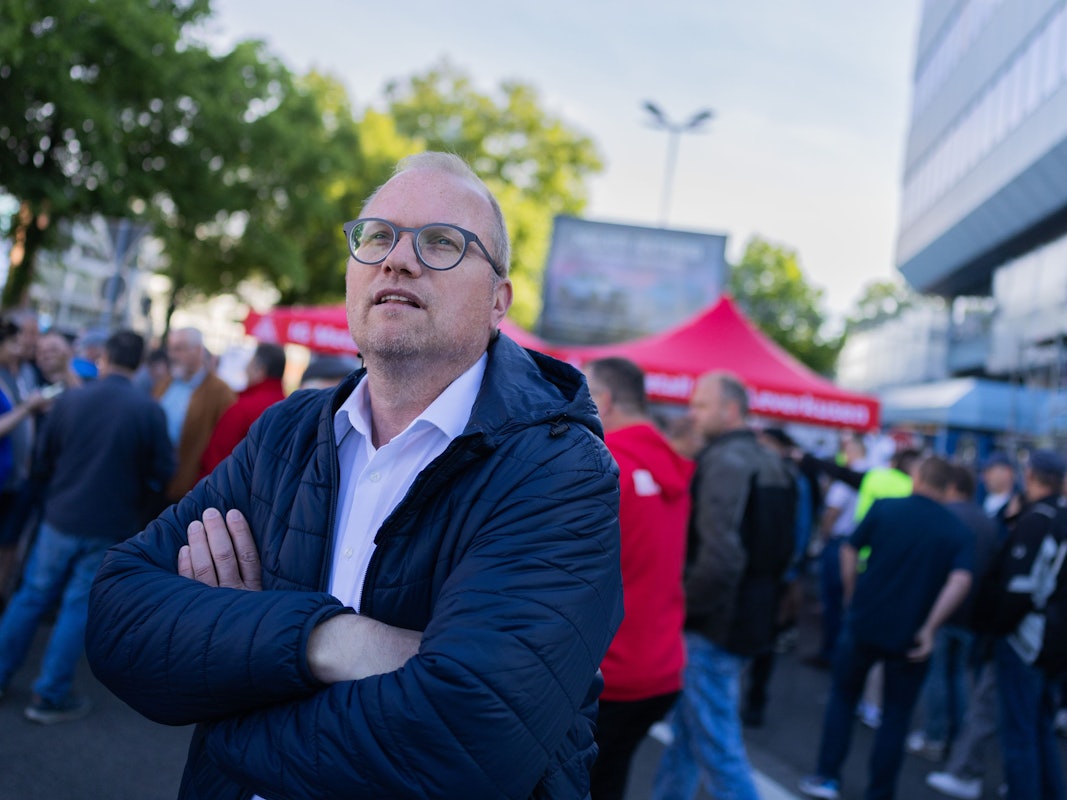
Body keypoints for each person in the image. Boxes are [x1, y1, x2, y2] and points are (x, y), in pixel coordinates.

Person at [86, 152, 623, 799]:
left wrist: (228, 693)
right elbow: (118, 615)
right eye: (375, 236)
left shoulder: (558, 470)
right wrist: (327, 641)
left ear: (498, 302)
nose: (397, 258)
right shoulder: (289, 432)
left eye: (442, 242)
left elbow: (460, 741)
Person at [0, 330, 174, 722]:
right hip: (109, 521)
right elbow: (162, 471)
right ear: (140, 363)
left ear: (105, 358)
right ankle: (50, 694)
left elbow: (43, 460)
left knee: (31, 596)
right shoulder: (149, 410)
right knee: (77, 606)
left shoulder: (73, 399)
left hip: (60, 515)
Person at [651, 371, 797, 800]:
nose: (691, 413)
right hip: (747, 619)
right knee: (688, 737)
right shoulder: (773, 462)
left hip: (717, 624)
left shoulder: (726, 461)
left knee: (717, 749)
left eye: (700, 405)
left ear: (729, 410)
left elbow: (722, 556)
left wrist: (682, 605)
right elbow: (788, 548)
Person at [798, 456, 974, 800]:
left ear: (919, 476)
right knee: (896, 715)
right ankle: (880, 793)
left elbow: (849, 549)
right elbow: (961, 580)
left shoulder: (885, 509)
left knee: (843, 699)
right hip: (910, 635)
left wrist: (851, 593)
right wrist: (930, 627)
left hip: (865, 620)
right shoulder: (956, 529)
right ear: (947, 486)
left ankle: (826, 777)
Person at [584, 357, 692, 800]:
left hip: (610, 672)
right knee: (610, 779)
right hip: (661, 668)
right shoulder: (675, 467)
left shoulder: (605, 464)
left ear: (604, 402)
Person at [979, 449, 1067, 800]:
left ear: (1029, 475)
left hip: (1027, 640)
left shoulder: (1040, 519)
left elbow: (1020, 588)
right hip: (1052, 641)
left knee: (1020, 735)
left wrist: (996, 627)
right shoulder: (1056, 515)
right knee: (1039, 729)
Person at [906, 463, 999, 763]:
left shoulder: (948, 516)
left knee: (935, 674)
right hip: (972, 613)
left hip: (942, 609)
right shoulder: (987, 521)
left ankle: (935, 737)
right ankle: (957, 736)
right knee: (958, 676)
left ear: (952, 487)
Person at [806, 435, 867, 670]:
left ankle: (831, 653)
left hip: (839, 544)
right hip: (858, 545)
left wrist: (823, 536)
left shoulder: (845, 479)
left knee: (833, 602)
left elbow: (832, 512)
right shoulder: (872, 476)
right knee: (846, 602)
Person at [154, 326, 236, 502]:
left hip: (186, 490)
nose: (173, 354)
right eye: (171, 348)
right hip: (153, 481)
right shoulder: (166, 383)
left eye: (180, 348)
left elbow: (223, 443)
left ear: (198, 351)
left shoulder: (220, 392)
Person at [199, 342, 287, 476]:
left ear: (261, 370)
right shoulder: (290, 408)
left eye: (250, 364)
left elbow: (216, 459)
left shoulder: (243, 408)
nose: (245, 369)